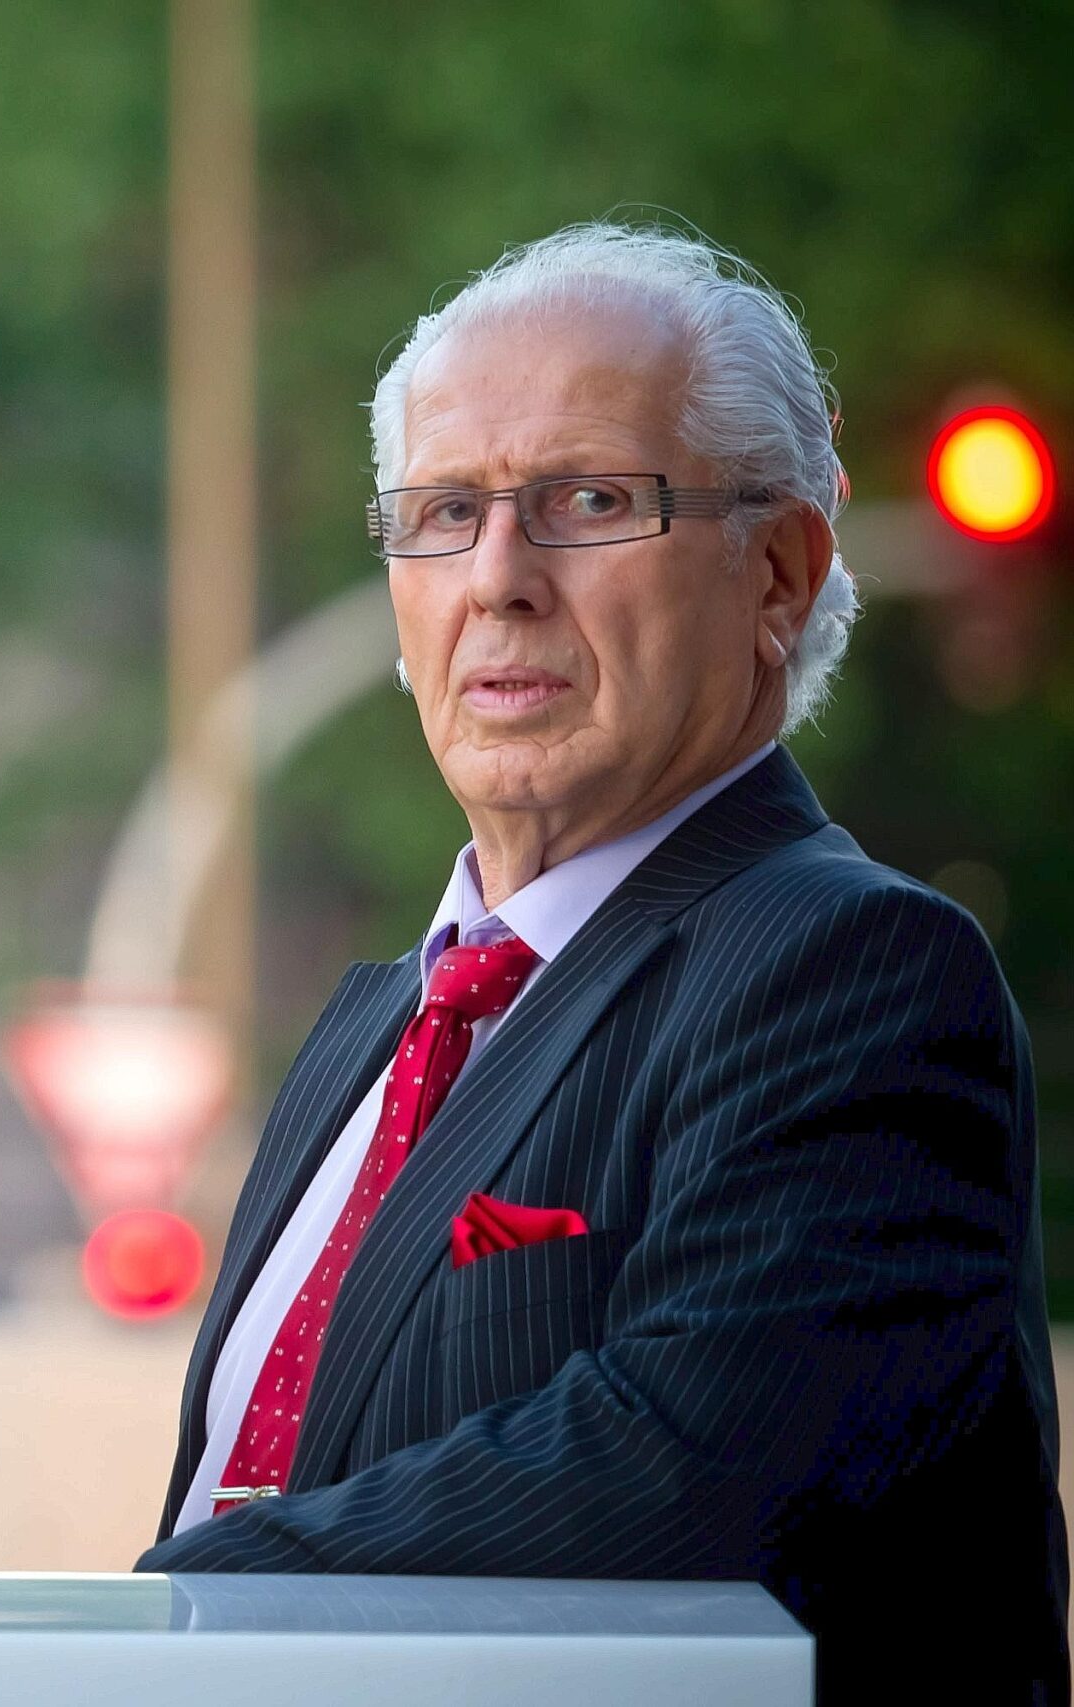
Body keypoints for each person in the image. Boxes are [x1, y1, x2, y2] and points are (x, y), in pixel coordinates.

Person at [137, 222, 1067, 1702]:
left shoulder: (859, 971)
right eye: (443, 511)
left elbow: (687, 1465)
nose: (497, 578)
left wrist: (148, 1626)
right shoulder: (373, 1029)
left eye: (586, 500)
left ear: (778, 571)